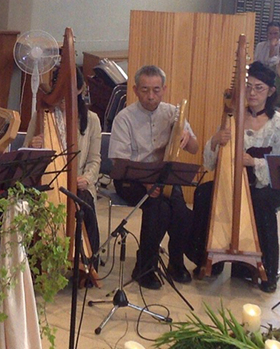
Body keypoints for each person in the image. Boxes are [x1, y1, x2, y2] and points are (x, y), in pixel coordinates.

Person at [194, 61, 280, 292]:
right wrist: (216, 141)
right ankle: (208, 260)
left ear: (270, 91)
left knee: (259, 202)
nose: (252, 93)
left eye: (259, 88)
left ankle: (265, 269)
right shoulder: (233, 117)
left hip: (265, 186)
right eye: (248, 87)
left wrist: (254, 162)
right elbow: (209, 162)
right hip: (233, 182)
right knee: (204, 193)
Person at [109, 65, 199, 289]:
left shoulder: (173, 113)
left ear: (164, 89)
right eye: (145, 90)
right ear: (135, 89)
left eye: (156, 90)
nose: (151, 96)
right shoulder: (124, 118)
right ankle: (144, 267)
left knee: (181, 212)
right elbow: (119, 164)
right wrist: (146, 182)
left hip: (162, 177)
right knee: (157, 207)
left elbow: (195, 149)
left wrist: (186, 136)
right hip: (131, 178)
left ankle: (176, 263)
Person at [26, 67, 103, 261]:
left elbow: (94, 159)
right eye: (60, 93)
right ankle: (42, 259)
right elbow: (25, 155)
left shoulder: (91, 120)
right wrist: (33, 146)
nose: (63, 99)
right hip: (47, 182)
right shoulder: (40, 117)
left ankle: (87, 261)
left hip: (79, 183)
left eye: (69, 92)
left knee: (83, 202)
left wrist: (86, 178)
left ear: (80, 90)